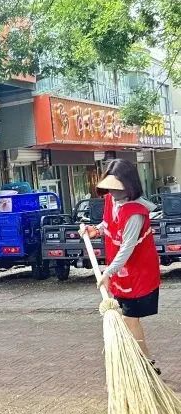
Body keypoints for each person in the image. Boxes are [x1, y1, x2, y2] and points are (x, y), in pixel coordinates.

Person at [80, 158, 161, 369]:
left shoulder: (135, 212)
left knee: (129, 319)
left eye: (117, 188)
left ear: (129, 185)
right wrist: (95, 229)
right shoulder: (110, 201)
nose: (113, 194)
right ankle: (144, 361)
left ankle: (146, 363)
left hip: (139, 273)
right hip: (121, 271)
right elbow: (109, 222)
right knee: (128, 319)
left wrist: (108, 271)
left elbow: (127, 246)